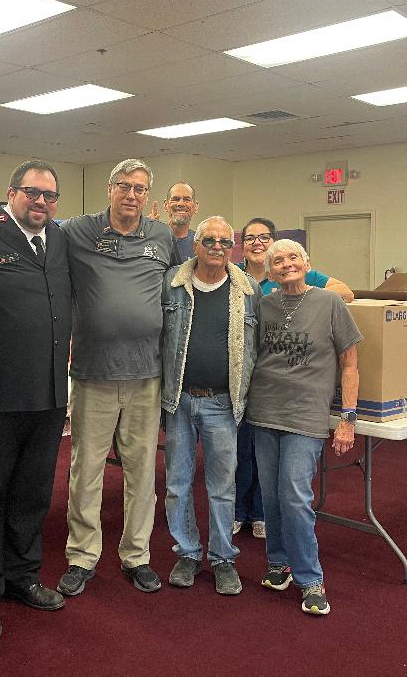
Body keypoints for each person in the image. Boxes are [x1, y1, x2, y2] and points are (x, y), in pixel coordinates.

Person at [0, 161, 72, 642]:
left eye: (49, 195)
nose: (41, 201)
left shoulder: (61, 240)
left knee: (33, 493)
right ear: (11, 193)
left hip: (47, 394)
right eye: (32, 192)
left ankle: (22, 575)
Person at [58, 158, 178, 597]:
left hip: (147, 374)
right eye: (124, 186)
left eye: (140, 189)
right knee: (85, 469)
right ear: (109, 189)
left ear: (148, 196)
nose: (131, 195)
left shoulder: (162, 236)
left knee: (141, 471)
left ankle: (136, 555)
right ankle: (82, 555)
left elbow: (183, 286)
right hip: (93, 374)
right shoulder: (77, 231)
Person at [245, 238, 362, 616]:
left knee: (295, 497)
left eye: (292, 258)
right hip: (263, 413)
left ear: (307, 262)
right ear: (269, 270)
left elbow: (349, 364)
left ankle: (311, 579)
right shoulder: (264, 305)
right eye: (277, 261)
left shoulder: (329, 303)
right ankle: (278, 563)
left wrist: (348, 417)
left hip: (305, 417)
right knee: (272, 498)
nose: (285, 265)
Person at [233, 217, 354, 540]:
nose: (257, 243)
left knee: (285, 485)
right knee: (246, 455)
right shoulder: (241, 281)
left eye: (264, 237)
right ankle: (242, 513)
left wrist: (316, 307)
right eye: (250, 238)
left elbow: (346, 292)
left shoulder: (306, 283)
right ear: (241, 245)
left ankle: (262, 517)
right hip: (258, 394)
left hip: (302, 406)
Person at [160, 216, 260, 595]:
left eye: (224, 242)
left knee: (222, 487)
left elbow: (257, 349)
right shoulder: (171, 286)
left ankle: (222, 558)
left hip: (223, 404)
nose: (217, 247)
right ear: (196, 245)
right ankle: (187, 553)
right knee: (177, 484)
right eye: (209, 241)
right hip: (179, 402)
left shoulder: (248, 290)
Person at [164, 182, 200, 261]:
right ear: (166, 205)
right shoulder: (154, 238)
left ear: (195, 206)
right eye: (175, 199)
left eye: (187, 199)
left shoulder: (201, 244)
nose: (180, 203)